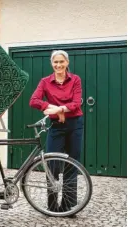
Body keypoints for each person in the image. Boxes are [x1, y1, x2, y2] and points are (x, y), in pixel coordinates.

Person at [29, 50, 83, 217]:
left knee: (71, 165)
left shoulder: (75, 80)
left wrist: (60, 109)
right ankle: (52, 207)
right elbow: (34, 101)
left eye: (61, 62)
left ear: (67, 62)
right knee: (52, 165)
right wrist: (51, 109)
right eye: (55, 62)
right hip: (56, 126)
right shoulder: (45, 82)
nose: (58, 65)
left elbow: (76, 103)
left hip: (74, 124)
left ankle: (69, 207)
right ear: (52, 64)